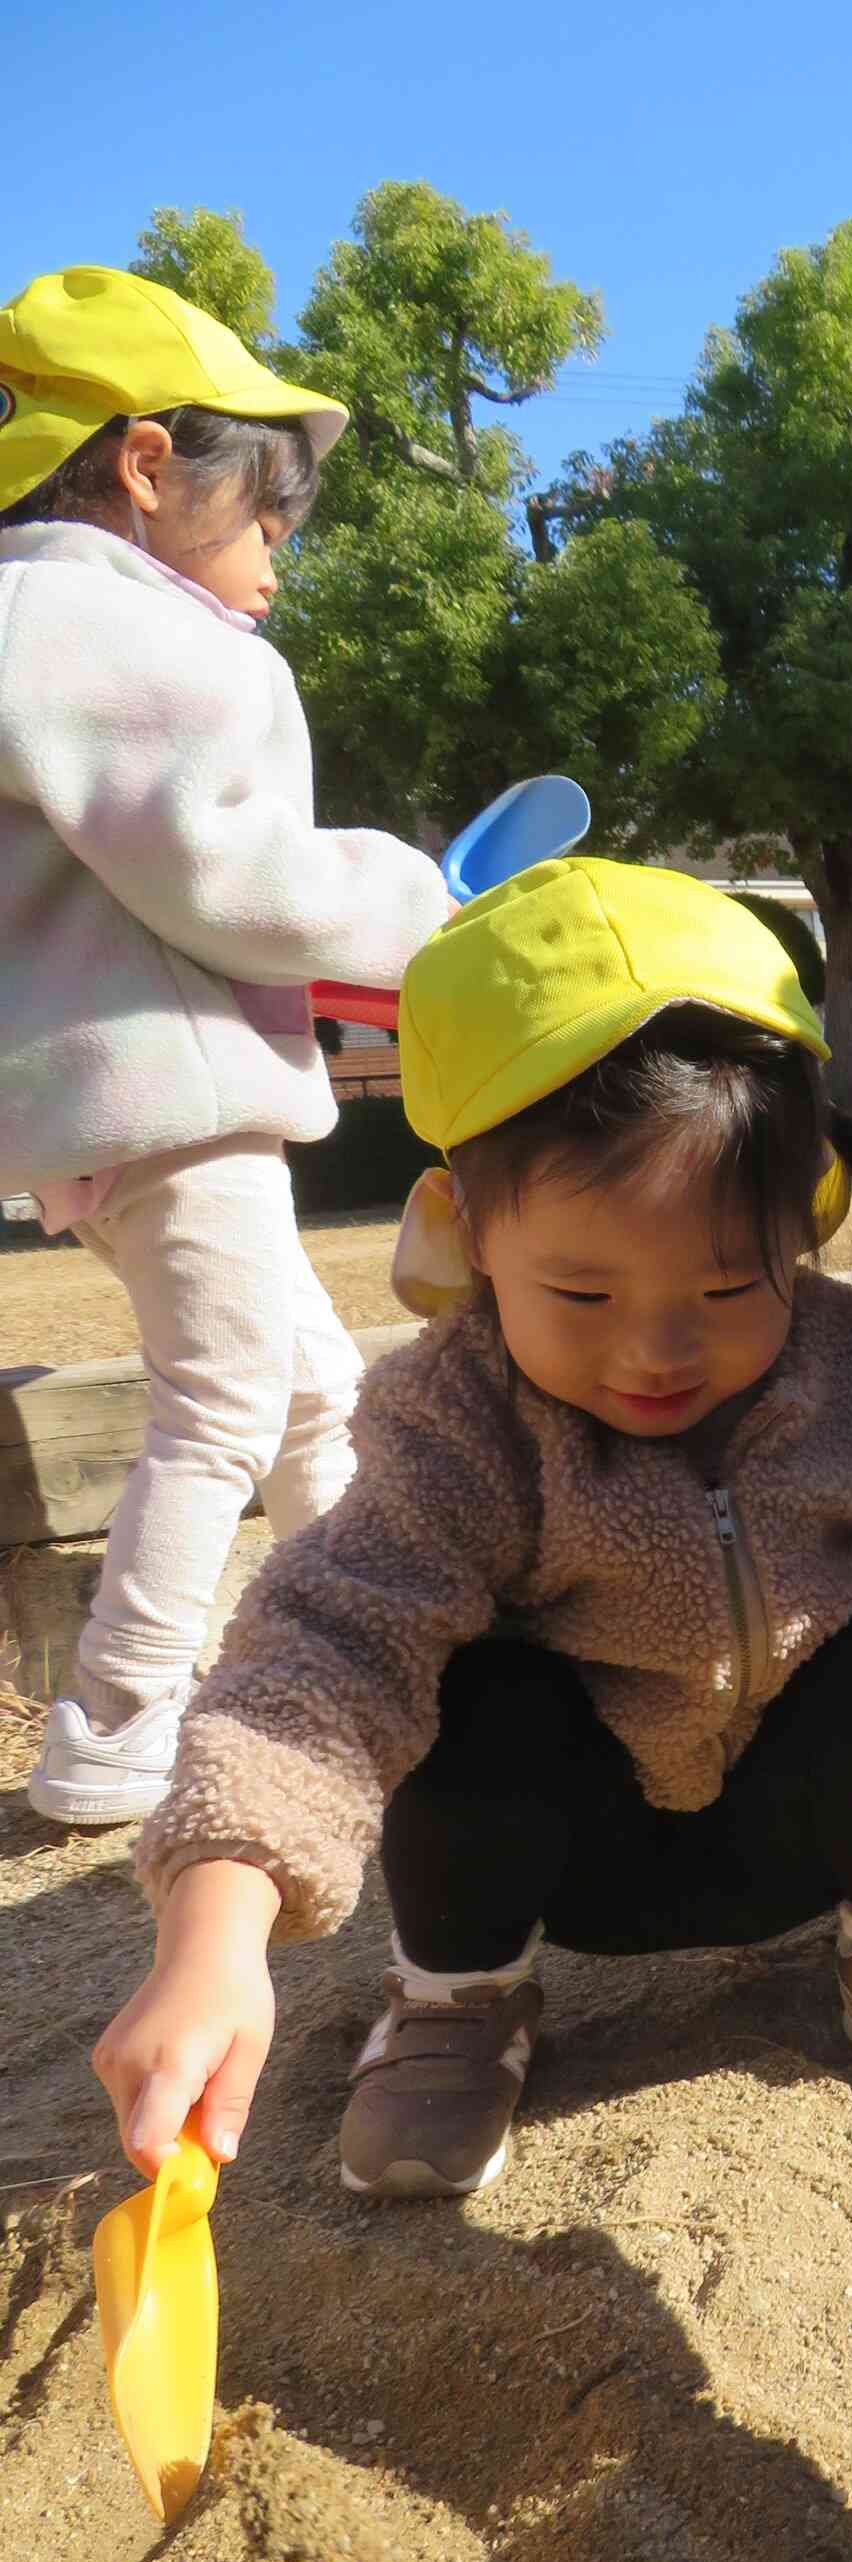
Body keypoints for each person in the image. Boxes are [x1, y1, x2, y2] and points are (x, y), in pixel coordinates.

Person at [94, 859, 852, 2195]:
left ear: (800, 1222)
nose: (654, 1349)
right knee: (464, 1681)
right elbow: (324, 1657)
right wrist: (214, 1928)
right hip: (569, 1860)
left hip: (813, 1838)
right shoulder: (456, 1423)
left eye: (726, 1284)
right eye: (578, 1291)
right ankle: (461, 1999)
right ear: (462, 1234)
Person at [0, 264, 450, 1828]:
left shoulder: (19, 613)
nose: (277, 558)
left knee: (310, 1387)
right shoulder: (106, 624)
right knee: (228, 1396)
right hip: (167, 1082)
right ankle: (117, 1730)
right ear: (142, 464)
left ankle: (380, 1660)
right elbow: (227, 870)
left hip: (87, 1096)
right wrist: (428, 907)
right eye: (267, 515)